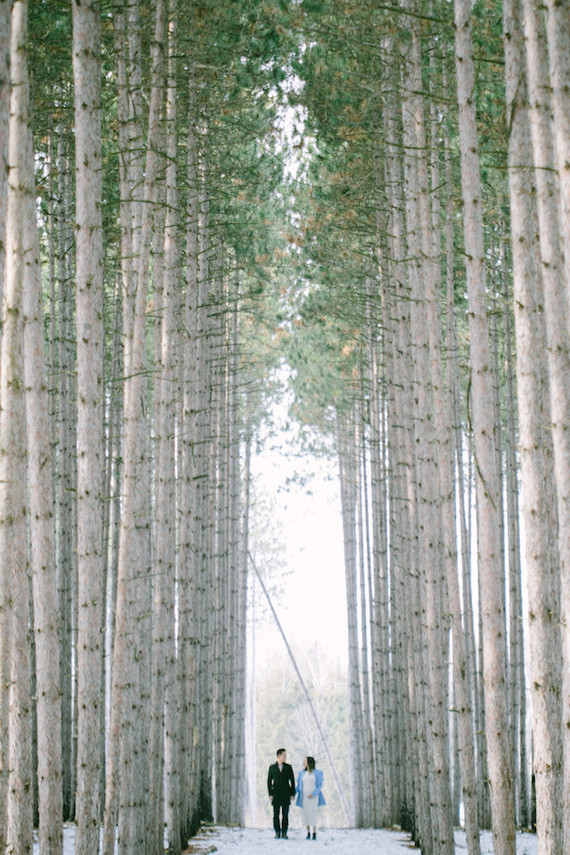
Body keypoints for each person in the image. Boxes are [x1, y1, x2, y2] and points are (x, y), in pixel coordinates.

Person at [267, 748, 296, 839]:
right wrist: (270, 794)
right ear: (279, 756)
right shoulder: (272, 767)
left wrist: (292, 793)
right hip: (276, 793)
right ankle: (277, 832)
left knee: (285, 814)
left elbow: (292, 781)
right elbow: (269, 782)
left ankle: (284, 832)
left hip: (286, 793)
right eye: (284, 755)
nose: (285, 757)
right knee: (276, 814)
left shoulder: (288, 767)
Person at [296, 756, 326, 840]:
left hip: (313, 797)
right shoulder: (302, 773)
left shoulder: (316, 773)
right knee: (306, 814)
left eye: (305, 761)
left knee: (313, 813)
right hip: (304, 796)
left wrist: (313, 794)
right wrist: (293, 793)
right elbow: (299, 786)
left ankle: (314, 832)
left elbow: (319, 786)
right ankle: (308, 832)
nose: (304, 763)